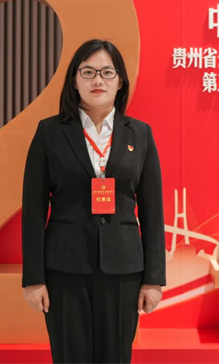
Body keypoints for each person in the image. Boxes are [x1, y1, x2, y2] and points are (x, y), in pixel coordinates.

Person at [21, 39, 166, 363]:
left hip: (123, 269)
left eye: (106, 72)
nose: (97, 80)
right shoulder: (50, 132)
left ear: (120, 80)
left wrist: (153, 280)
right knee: (69, 355)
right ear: (74, 80)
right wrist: (33, 279)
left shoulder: (140, 134)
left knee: (115, 356)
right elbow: (33, 210)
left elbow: (153, 212)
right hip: (64, 267)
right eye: (87, 72)